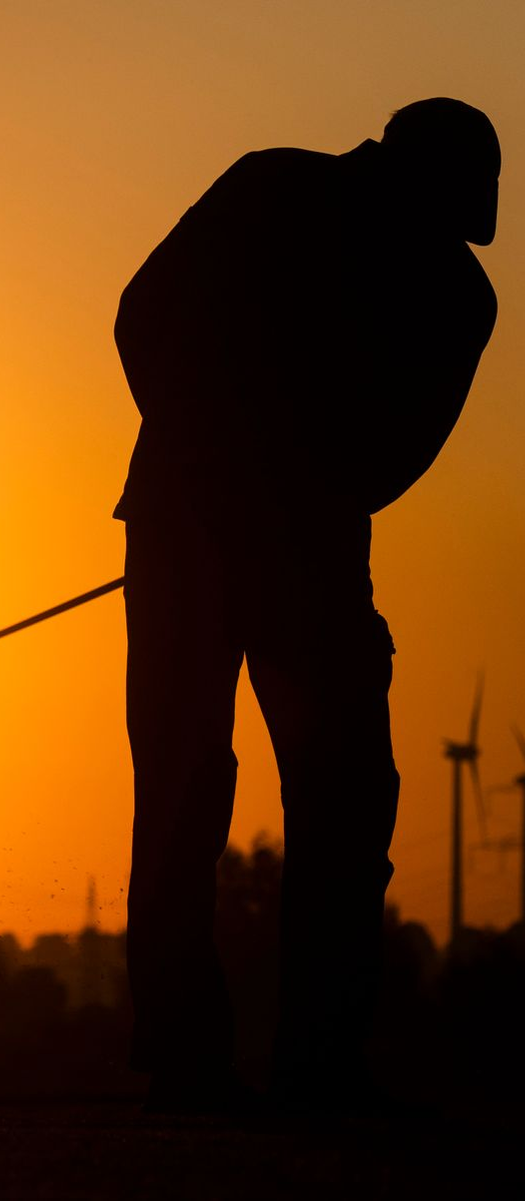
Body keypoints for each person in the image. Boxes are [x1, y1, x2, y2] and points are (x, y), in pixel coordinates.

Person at [114, 99, 499, 1112]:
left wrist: (284, 502)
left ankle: (320, 1059)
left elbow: (398, 450)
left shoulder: (460, 296)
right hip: (187, 531)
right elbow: (146, 318)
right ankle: (185, 1056)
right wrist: (213, 468)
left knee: (346, 792)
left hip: (311, 557)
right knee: (185, 782)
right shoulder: (273, 187)